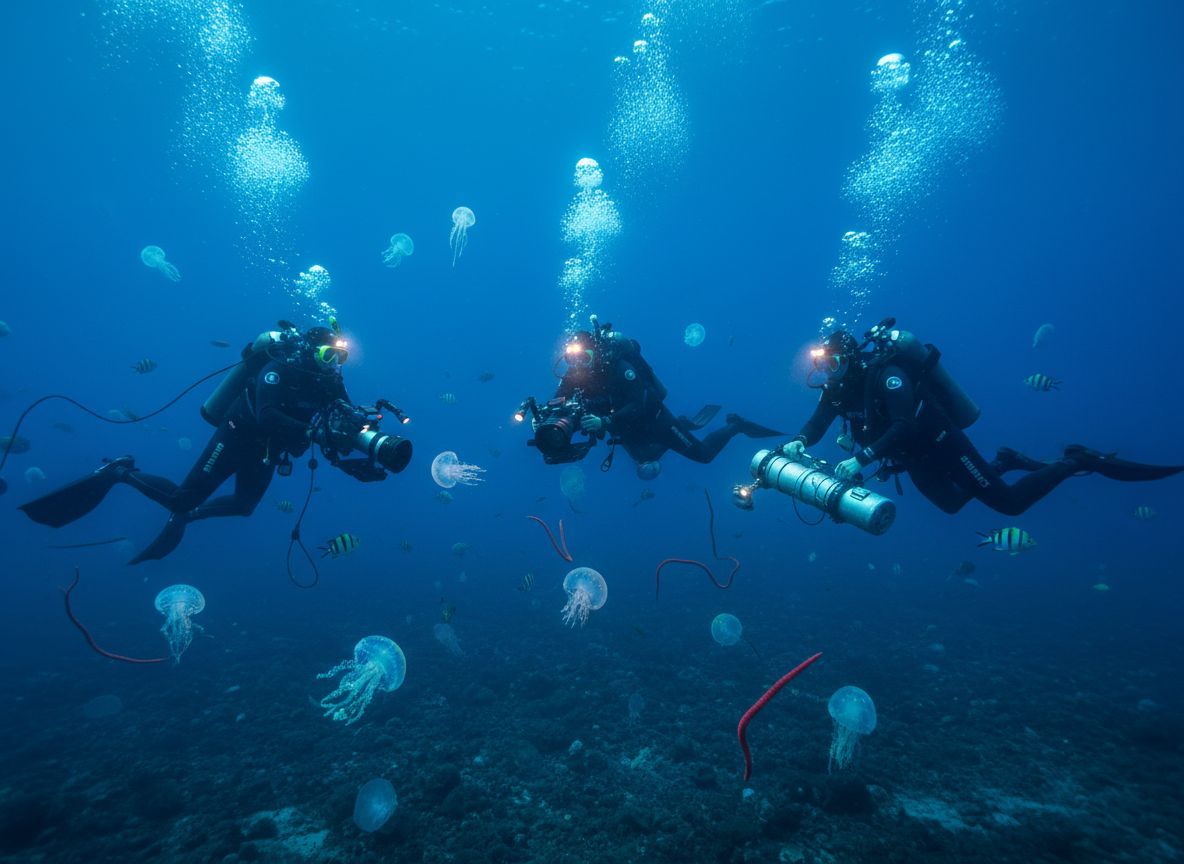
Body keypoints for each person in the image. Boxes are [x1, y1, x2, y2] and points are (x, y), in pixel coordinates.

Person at [20, 320, 390, 563]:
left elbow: (337, 420)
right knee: (182, 496)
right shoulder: (280, 369)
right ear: (311, 352)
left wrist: (351, 455)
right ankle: (121, 472)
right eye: (328, 355)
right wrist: (310, 432)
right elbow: (266, 416)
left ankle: (189, 516)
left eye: (339, 358)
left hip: (268, 451)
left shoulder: (330, 382)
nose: (332, 364)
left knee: (244, 507)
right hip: (236, 436)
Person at [780, 320, 1183, 516]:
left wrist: (861, 458)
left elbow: (903, 424)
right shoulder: (836, 390)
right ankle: (1005, 460)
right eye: (824, 364)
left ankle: (1073, 460)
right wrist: (799, 440)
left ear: (849, 358)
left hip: (941, 443)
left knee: (1008, 505)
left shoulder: (887, 376)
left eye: (834, 362)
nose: (829, 370)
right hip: (911, 459)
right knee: (953, 505)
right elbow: (817, 423)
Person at [531, 316, 782, 475]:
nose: (579, 365)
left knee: (704, 455)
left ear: (594, 353)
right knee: (646, 457)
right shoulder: (572, 377)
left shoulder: (618, 368)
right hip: (625, 430)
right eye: (573, 359)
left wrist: (605, 422)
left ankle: (735, 425)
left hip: (654, 419)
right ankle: (683, 425)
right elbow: (560, 404)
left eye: (584, 358)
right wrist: (544, 418)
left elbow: (643, 401)